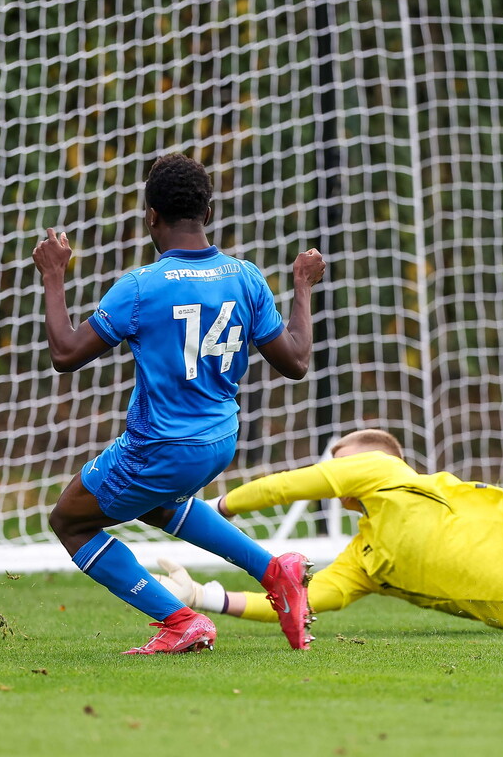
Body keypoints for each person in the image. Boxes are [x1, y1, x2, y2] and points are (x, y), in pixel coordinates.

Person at [31, 154, 326, 653]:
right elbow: (296, 362)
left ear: (151, 216)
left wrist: (54, 274)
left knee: (69, 520)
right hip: (219, 440)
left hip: (162, 445)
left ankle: (180, 619)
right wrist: (301, 287)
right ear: (207, 213)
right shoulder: (246, 277)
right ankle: (276, 571)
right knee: (157, 503)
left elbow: (65, 353)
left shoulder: (142, 287)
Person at [155, 428, 503, 634]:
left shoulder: (388, 474)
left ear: (377, 461)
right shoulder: (364, 558)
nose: (337, 475)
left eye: (344, 463)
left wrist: (219, 505)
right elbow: (307, 600)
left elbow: (302, 482)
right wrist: (207, 596)